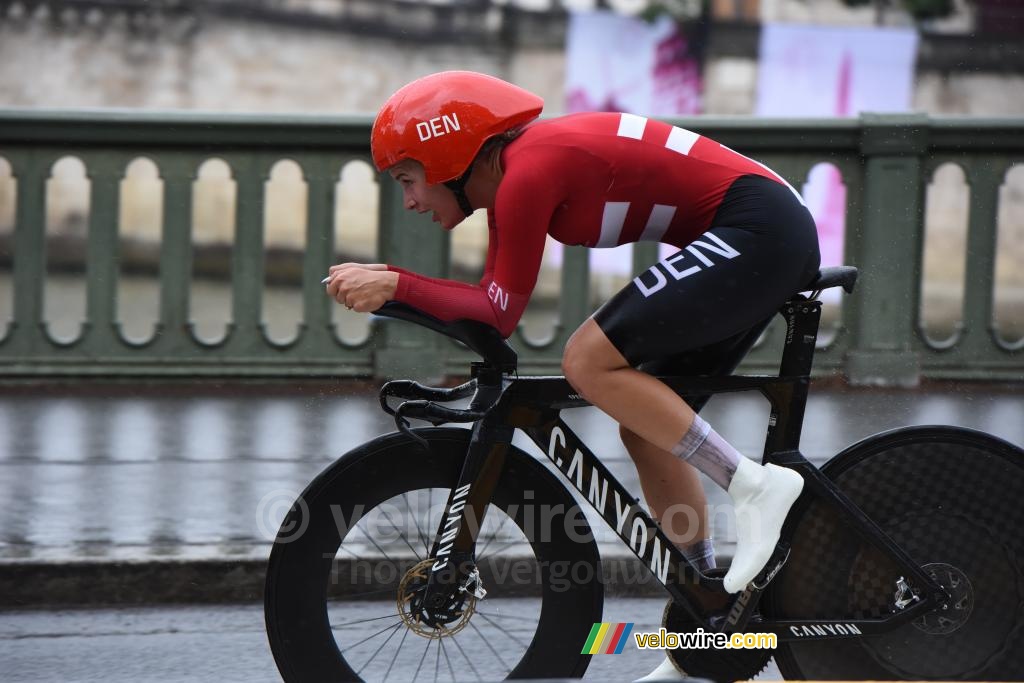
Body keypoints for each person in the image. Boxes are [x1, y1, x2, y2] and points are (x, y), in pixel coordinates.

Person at [325, 71, 819, 681]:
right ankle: (713, 612)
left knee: (586, 361)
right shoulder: (515, 178)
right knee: (645, 426)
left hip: (761, 230)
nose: (409, 201)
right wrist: (397, 288)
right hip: (760, 230)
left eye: (408, 180)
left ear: (447, 157)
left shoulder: (527, 173)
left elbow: (497, 315)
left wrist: (397, 284)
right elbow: (492, 302)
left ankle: (753, 486)